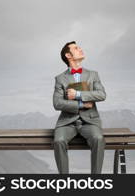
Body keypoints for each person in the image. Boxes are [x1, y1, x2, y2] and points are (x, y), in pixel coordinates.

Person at [52, 41, 106, 174]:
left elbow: (102, 95)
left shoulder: (93, 75)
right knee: (58, 141)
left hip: (90, 121)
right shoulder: (60, 79)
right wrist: (81, 104)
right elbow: (57, 103)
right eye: (76, 48)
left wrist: (78, 94)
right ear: (68, 55)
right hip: (67, 122)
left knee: (98, 139)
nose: (81, 49)